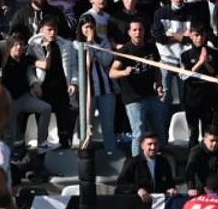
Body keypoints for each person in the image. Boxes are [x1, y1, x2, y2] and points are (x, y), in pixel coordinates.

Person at [110, 18, 167, 155]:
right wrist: (124, 72)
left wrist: (159, 84)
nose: (138, 33)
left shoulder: (151, 47)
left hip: (151, 95)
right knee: (139, 132)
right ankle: (136, 162)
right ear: (129, 32)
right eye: (134, 30)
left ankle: (162, 158)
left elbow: (157, 68)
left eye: (140, 29)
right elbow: (112, 72)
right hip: (133, 98)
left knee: (159, 129)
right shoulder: (125, 50)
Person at [28, 17, 78, 149]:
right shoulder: (33, 46)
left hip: (61, 87)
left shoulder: (66, 45)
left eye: (55, 29)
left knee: (64, 114)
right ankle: (42, 143)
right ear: (41, 30)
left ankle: (65, 142)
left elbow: (73, 67)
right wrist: (34, 83)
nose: (52, 32)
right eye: (49, 29)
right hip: (42, 87)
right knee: (42, 114)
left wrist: (74, 83)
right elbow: (29, 68)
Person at [75, 14, 118, 150]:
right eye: (86, 27)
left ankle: (111, 153)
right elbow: (80, 65)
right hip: (87, 92)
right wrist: (87, 45)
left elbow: (106, 61)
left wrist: (93, 44)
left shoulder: (104, 42)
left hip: (106, 89)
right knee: (86, 125)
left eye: (92, 27)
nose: (90, 30)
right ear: (80, 28)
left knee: (108, 126)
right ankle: (84, 154)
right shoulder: (76, 45)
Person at [179, 25, 218, 147]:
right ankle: (192, 160)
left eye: (202, 35)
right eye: (196, 35)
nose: (199, 38)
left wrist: (206, 62)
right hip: (191, 97)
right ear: (191, 36)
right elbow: (184, 75)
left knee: (207, 131)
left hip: (209, 97)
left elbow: (217, 74)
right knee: (193, 132)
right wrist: (199, 63)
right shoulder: (185, 55)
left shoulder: (213, 53)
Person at [115, 134, 177, 202]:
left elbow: (170, 183)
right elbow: (121, 185)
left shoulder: (163, 162)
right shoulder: (132, 162)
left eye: (155, 144)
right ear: (142, 146)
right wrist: (138, 190)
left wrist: (171, 189)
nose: (153, 147)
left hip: (160, 204)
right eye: (149, 144)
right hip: (137, 203)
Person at [183, 129, 218, 194]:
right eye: (212, 141)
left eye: (217, 140)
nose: (215, 143)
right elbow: (190, 171)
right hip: (201, 189)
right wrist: (191, 188)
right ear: (205, 140)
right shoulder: (196, 152)